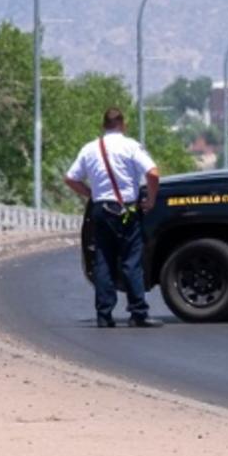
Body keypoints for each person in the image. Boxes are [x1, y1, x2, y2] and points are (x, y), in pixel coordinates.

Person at [64, 106, 162, 328]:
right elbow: (153, 173)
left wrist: (90, 193)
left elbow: (70, 178)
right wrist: (152, 199)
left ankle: (104, 314)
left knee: (104, 261)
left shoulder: (90, 149)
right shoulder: (131, 147)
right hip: (127, 209)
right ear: (123, 124)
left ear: (103, 125)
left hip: (102, 209)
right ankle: (138, 312)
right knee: (131, 261)